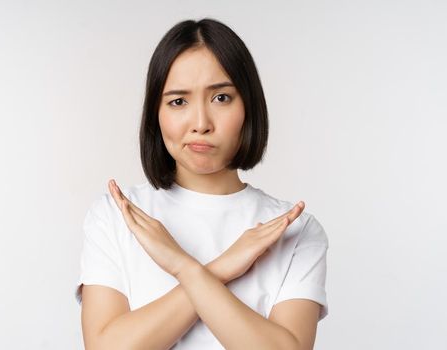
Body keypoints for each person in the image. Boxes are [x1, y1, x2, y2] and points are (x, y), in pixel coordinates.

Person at [74, 18, 329, 350]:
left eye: (221, 98)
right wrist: (220, 268)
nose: (200, 123)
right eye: (178, 101)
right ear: (156, 113)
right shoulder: (117, 216)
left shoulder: (295, 230)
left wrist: (184, 266)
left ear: (249, 106)